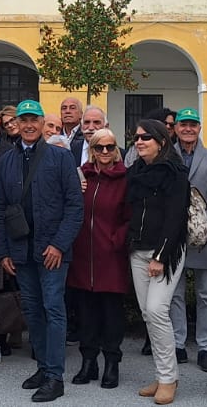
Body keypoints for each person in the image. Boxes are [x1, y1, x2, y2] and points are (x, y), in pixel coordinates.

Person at [0, 100, 83, 402]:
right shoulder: (7, 160)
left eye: (34, 120)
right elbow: (0, 207)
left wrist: (59, 244)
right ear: (16, 124)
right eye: (24, 120)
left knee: (53, 309)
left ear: (43, 123)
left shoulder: (60, 157)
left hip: (51, 250)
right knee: (31, 309)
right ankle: (43, 367)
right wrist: (3, 250)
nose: (29, 125)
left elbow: (74, 206)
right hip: (21, 250)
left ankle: (55, 376)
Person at [126, 119, 192, 405]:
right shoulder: (136, 172)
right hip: (137, 251)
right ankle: (163, 374)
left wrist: (160, 257)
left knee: (156, 310)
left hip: (165, 252)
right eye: (137, 138)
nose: (139, 142)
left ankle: (168, 380)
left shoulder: (175, 174)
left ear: (162, 142)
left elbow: (175, 219)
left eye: (146, 138)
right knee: (147, 314)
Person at [67, 128, 129, 390]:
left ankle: (112, 363)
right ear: (91, 149)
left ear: (116, 149)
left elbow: (130, 216)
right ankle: (88, 361)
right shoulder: (82, 176)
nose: (105, 152)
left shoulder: (125, 179)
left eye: (110, 147)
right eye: (99, 147)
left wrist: (116, 240)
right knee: (87, 312)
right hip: (83, 256)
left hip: (111, 257)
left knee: (112, 314)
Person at [166, 107, 207, 370]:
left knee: (205, 294)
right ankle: (178, 343)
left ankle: (204, 346)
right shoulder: (167, 155)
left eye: (193, 124)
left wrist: (197, 222)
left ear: (199, 127)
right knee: (174, 293)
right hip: (172, 233)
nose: (188, 129)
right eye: (183, 125)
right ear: (176, 128)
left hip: (205, 235)